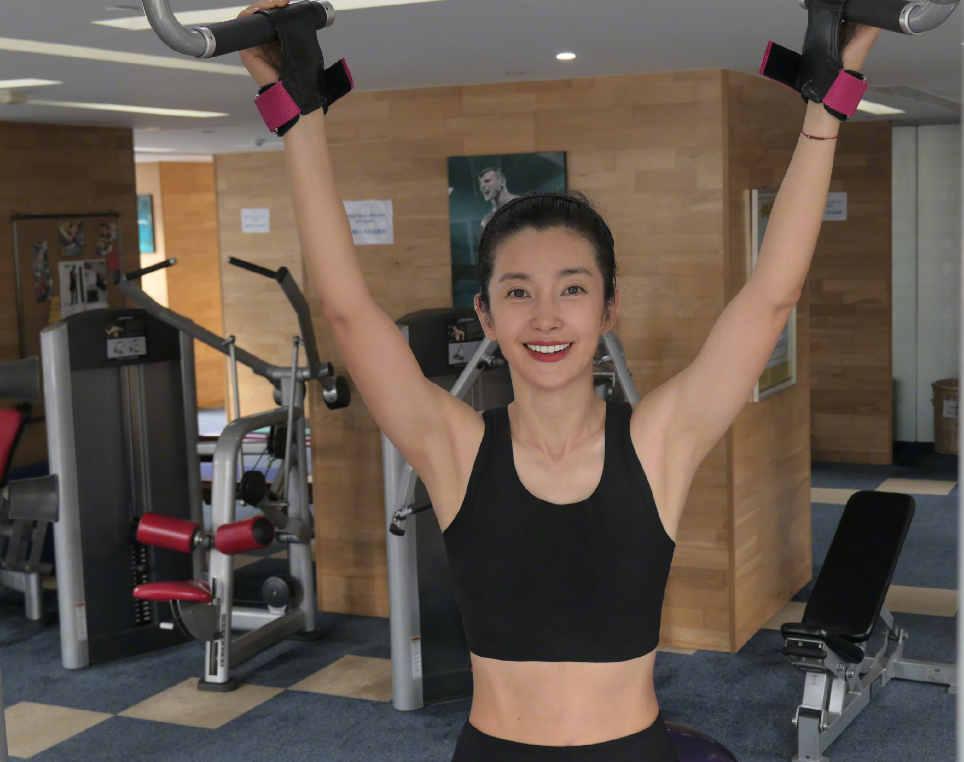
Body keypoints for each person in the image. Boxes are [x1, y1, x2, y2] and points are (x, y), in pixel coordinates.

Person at [238, 3, 880, 759]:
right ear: (485, 313)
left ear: (609, 308)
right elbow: (347, 312)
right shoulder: (455, 449)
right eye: (518, 292)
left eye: (572, 289)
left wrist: (826, 106)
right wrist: (299, 116)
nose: (545, 317)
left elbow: (772, 295)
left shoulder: (659, 442)